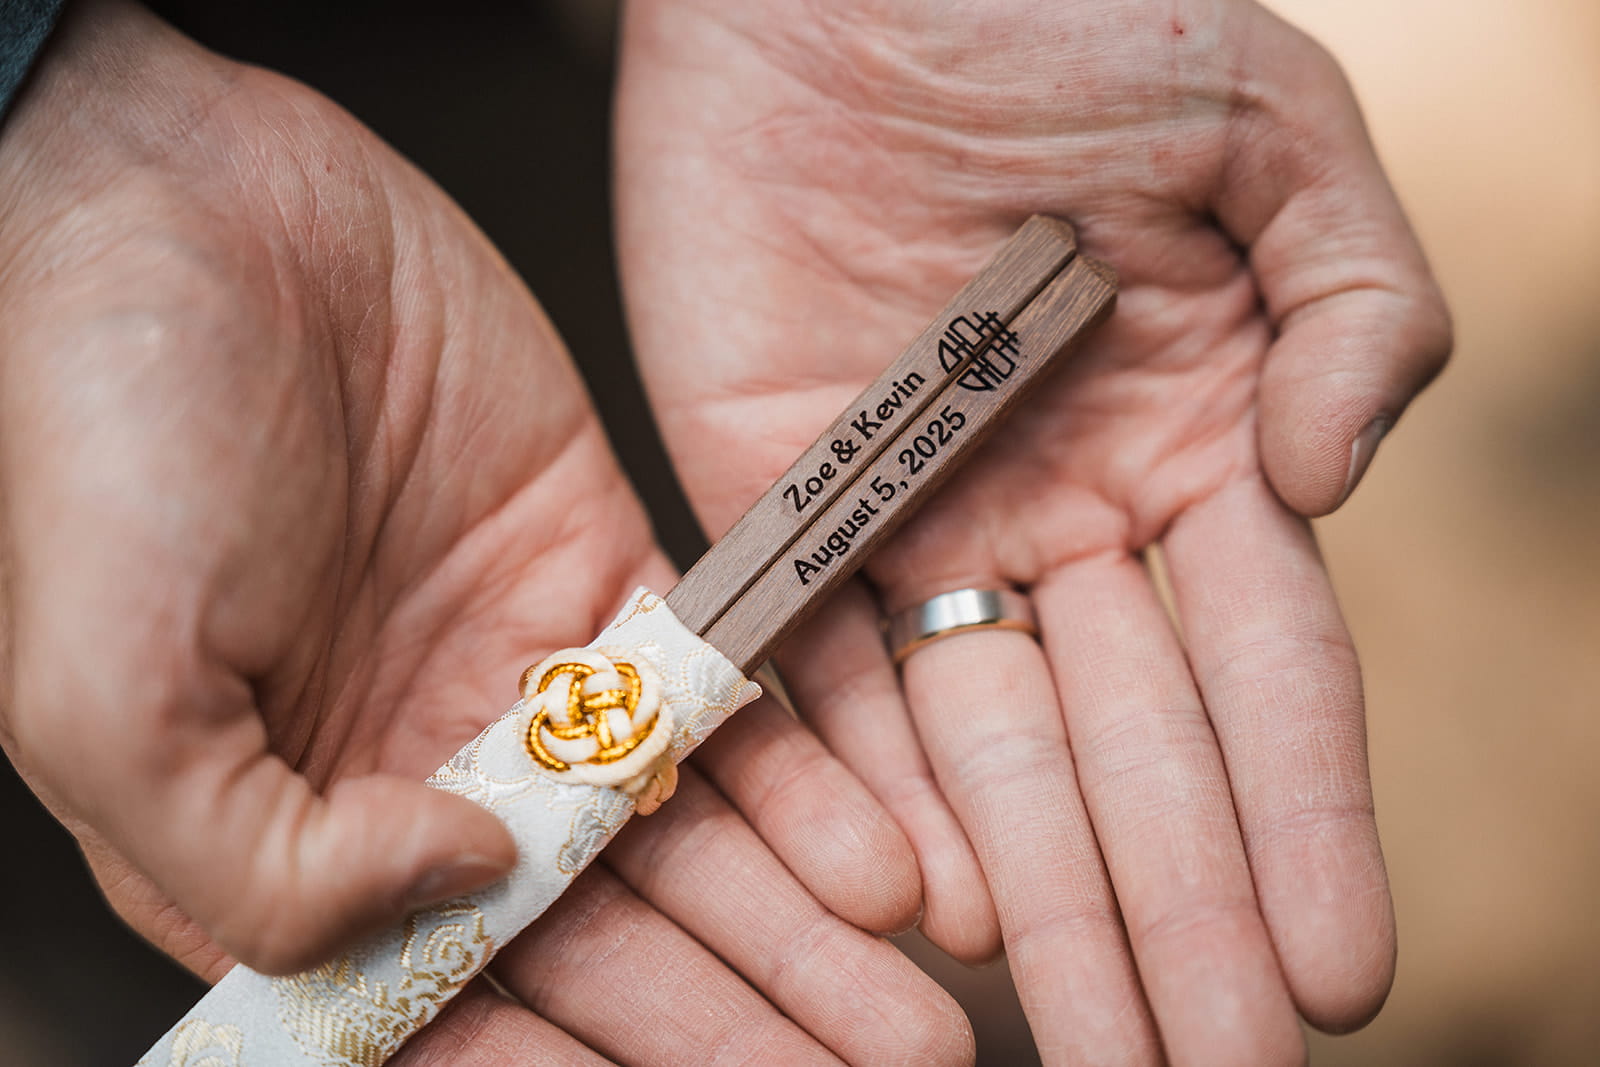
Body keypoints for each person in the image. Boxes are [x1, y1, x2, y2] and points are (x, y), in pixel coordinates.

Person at [0, 0, 1448, 1064]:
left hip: (499, 184)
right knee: (182, 845)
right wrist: (43, 153)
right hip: (292, 363)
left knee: (626, 402)